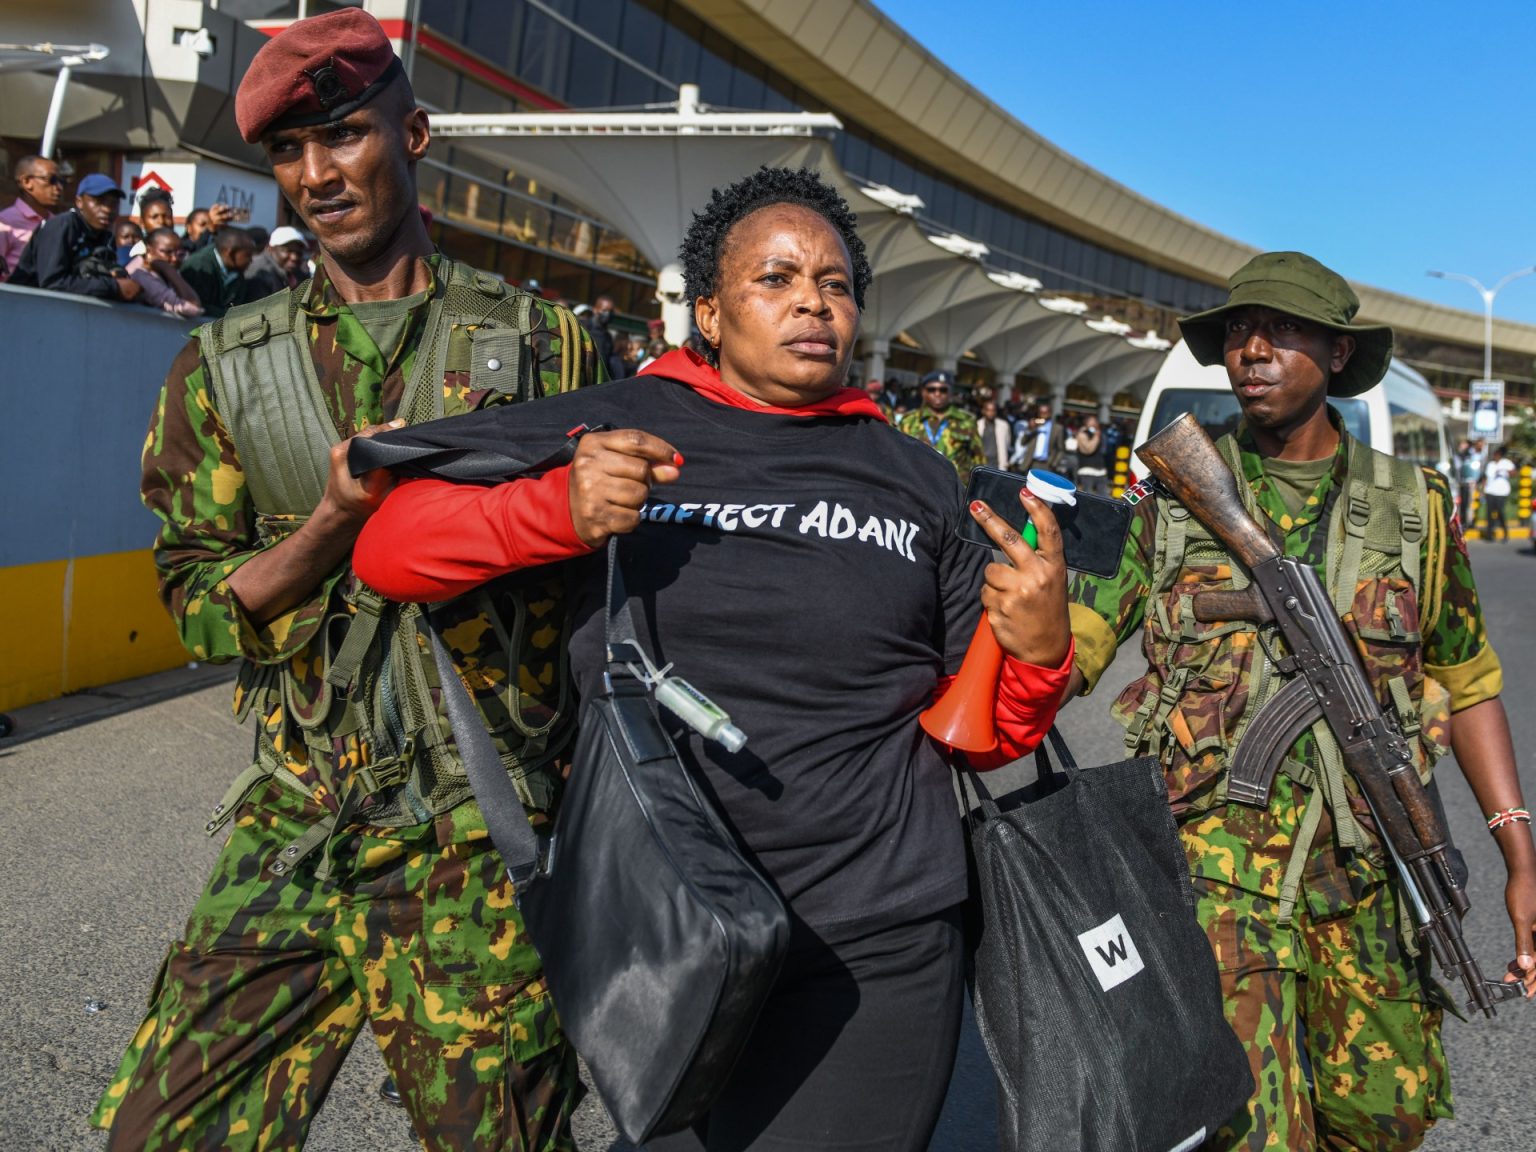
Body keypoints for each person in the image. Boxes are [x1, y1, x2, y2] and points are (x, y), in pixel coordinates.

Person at [353, 166, 1074, 1152]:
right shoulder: (615, 418)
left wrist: (1038, 651)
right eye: (775, 279)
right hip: (663, 922)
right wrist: (553, 508)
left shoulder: (916, 477)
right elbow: (389, 549)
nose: (812, 303)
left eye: (833, 283)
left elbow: (983, 736)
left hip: (878, 929)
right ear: (710, 310)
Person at [89, 10, 603, 1151]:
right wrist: (329, 525)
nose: (315, 175)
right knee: (154, 1134)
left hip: (479, 832)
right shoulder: (220, 366)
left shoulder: (547, 348)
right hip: (301, 818)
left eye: (344, 136)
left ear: (412, 133)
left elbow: (610, 593)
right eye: (287, 152)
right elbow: (200, 610)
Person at [1064, 252, 1536, 1152]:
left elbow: (1469, 681)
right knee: (1251, 1135)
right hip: (1215, 883)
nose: (1252, 350)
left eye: (1281, 331)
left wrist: (1518, 849)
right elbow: (1072, 649)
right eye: (1239, 333)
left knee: (1384, 1121)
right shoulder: (1172, 498)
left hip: (1374, 877)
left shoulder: (1416, 507)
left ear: (1337, 352)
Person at [7, 173, 142, 303]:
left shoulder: (106, 237)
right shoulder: (62, 226)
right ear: (79, 202)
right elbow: (53, 283)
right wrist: (113, 287)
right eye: (99, 202)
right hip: (25, 311)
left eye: (113, 204)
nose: (107, 209)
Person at [897, 369, 985, 484]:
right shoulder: (909, 420)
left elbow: (979, 460)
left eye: (943, 390)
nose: (937, 394)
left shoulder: (967, 421)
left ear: (950, 392)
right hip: (916, 488)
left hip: (955, 493)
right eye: (931, 389)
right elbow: (898, 456)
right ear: (923, 392)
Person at [0, 154, 65, 278]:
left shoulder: (58, 224)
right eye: (51, 180)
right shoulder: (5, 222)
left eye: (61, 181)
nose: (59, 188)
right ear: (27, 182)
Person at [179, 225, 256, 316]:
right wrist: (229, 316)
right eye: (248, 256)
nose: (251, 260)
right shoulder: (200, 267)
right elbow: (200, 306)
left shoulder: (237, 271)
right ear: (231, 253)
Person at [125, 228, 204, 317]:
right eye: (167, 252)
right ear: (149, 250)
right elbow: (193, 306)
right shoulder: (141, 276)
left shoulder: (161, 272)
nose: (174, 258)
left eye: (180, 254)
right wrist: (168, 269)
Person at [245, 223, 310, 297]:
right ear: (270, 249)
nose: (294, 257)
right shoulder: (260, 271)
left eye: (299, 253)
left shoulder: (298, 271)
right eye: (288, 251)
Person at [1010, 399, 1067, 473]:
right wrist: (1030, 429)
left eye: (1045, 412)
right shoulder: (1034, 425)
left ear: (1050, 413)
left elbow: (1061, 449)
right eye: (1041, 412)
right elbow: (1022, 442)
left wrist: (1054, 464)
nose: (1043, 415)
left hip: (1047, 464)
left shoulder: (1057, 429)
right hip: (1031, 463)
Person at [1482, 445, 1515, 542]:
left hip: (1502, 492)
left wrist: (1504, 470)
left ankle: (1505, 534)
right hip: (1490, 491)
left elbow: (1514, 473)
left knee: (1500, 512)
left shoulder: (1506, 463)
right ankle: (1489, 534)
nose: (1495, 456)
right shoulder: (1490, 464)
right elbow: (1486, 477)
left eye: (1497, 454)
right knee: (1489, 513)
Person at [1073, 413, 1108, 495]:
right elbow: (1088, 450)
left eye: (1095, 422)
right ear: (1086, 423)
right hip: (1087, 470)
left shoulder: (1099, 434)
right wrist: (1096, 437)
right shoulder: (1082, 434)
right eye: (1092, 422)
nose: (1094, 424)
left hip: (1100, 470)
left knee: (1103, 496)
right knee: (1087, 495)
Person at [976, 396, 1014, 472]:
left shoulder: (1004, 425)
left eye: (993, 410)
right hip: (981, 464)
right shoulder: (977, 425)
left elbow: (1007, 443)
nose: (991, 413)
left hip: (997, 464)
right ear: (983, 411)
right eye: (988, 410)